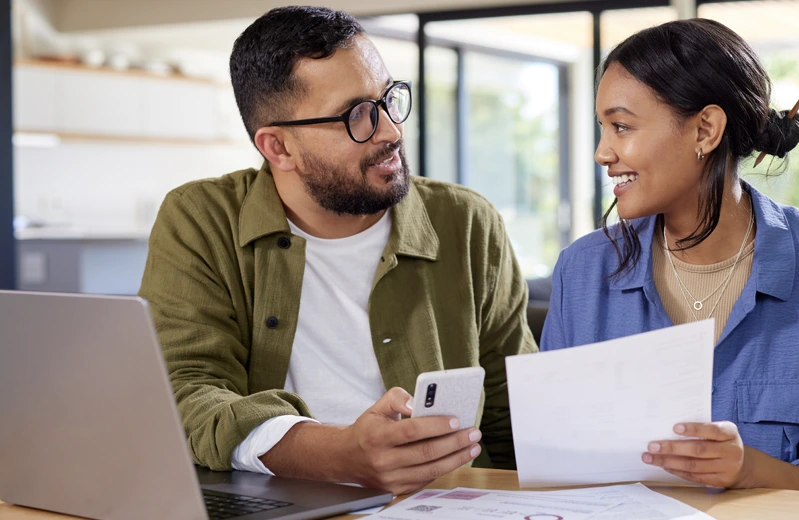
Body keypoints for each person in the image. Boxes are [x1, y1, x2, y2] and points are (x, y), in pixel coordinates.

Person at [138, 6, 536, 495]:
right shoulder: (201, 218)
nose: (391, 131)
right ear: (278, 147)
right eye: (357, 116)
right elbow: (186, 392)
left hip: (447, 501)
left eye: (388, 99)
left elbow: (515, 408)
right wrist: (338, 454)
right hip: (275, 500)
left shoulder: (467, 221)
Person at [540, 19, 799, 518]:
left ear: (705, 129)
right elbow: (553, 461)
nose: (602, 153)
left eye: (621, 126)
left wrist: (750, 471)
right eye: (602, 128)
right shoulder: (582, 271)